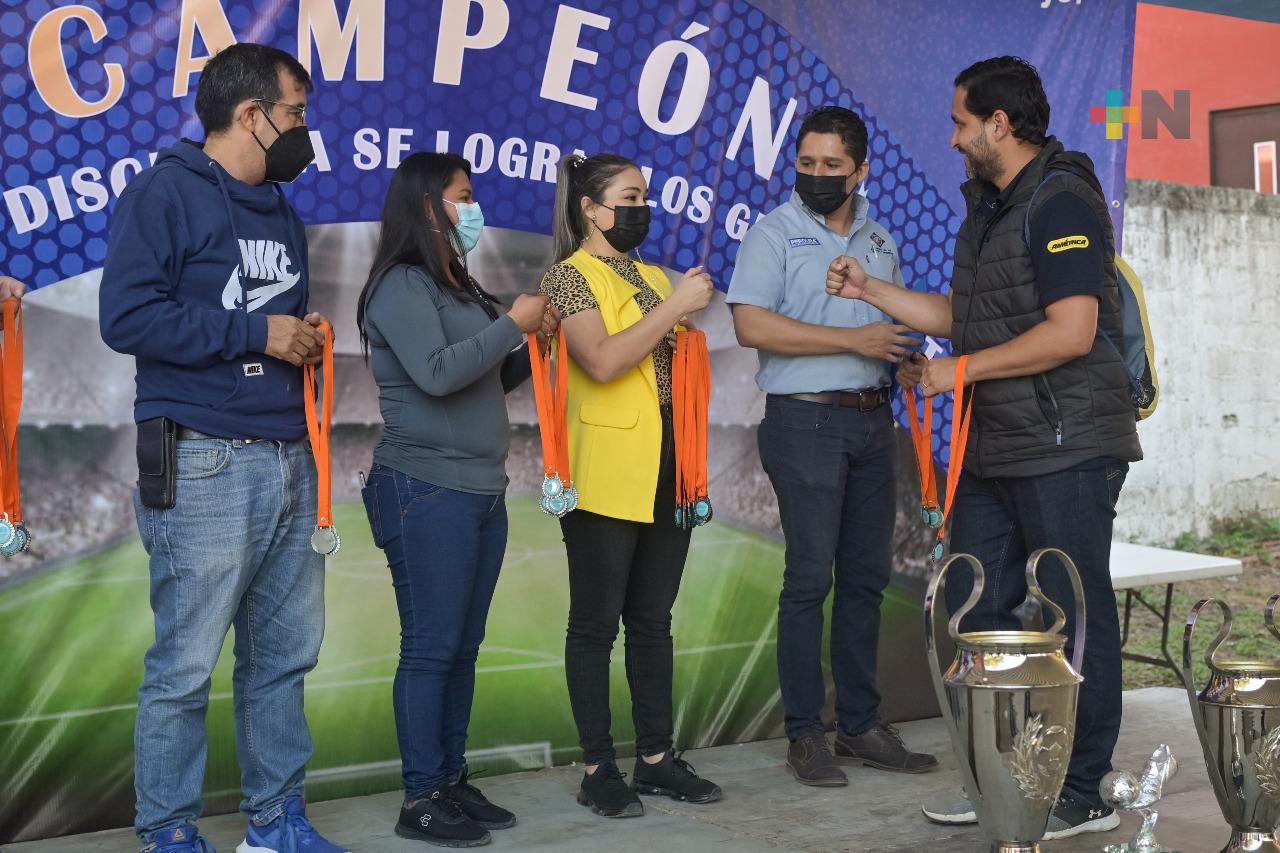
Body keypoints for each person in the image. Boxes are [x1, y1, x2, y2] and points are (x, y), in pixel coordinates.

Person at [825, 56, 1140, 839]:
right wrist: (870, 290)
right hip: (996, 445)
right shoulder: (989, 208)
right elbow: (966, 316)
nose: (953, 138)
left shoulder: (1060, 198)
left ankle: (1082, 789)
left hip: (1067, 444)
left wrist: (956, 371)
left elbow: (1072, 331)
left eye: (961, 122)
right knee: (982, 612)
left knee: (1074, 614)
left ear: (1000, 124)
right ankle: (1007, 779)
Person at [98, 43, 347, 853]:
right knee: (185, 666)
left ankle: (276, 822)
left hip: (288, 454)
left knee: (284, 657)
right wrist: (256, 332)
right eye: (295, 113)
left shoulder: (280, 208)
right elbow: (126, 317)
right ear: (251, 115)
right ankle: (169, 832)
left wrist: (299, 337)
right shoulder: (164, 193)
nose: (304, 129)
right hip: (203, 455)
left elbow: (273, 327)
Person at [725, 106, 938, 788]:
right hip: (805, 421)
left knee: (867, 579)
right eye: (806, 163)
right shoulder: (772, 233)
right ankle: (804, 732)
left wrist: (899, 358)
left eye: (831, 165)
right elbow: (751, 325)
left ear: (861, 170)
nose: (816, 174)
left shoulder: (879, 239)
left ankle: (860, 724)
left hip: (874, 419)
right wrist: (854, 340)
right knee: (810, 579)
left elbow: (885, 325)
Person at [356, 151, 558, 848]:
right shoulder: (400, 284)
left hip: (478, 491)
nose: (474, 207)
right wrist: (514, 325)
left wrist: (530, 344)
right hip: (425, 488)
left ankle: (447, 779)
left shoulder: (458, 284)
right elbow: (438, 375)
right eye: (463, 195)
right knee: (431, 647)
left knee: (462, 648)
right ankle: (421, 796)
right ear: (427, 205)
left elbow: (487, 378)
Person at [539, 153, 719, 818]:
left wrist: (677, 309)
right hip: (605, 467)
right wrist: (675, 307)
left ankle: (656, 759)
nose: (643, 208)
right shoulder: (566, 277)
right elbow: (603, 360)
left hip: (670, 463)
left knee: (652, 621)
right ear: (590, 208)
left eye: (644, 196)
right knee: (595, 624)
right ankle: (597, 768)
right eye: (630, 197)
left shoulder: (652, 275)